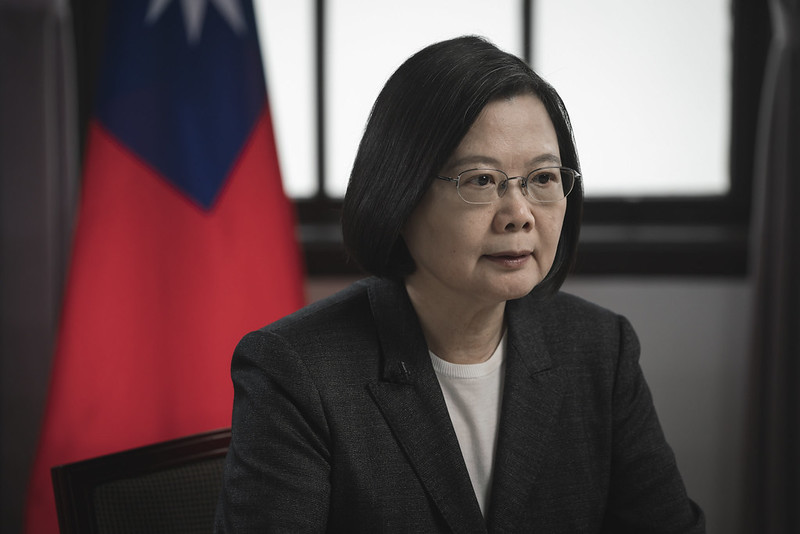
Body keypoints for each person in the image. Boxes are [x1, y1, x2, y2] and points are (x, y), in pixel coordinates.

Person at [214, 35, 705, 533]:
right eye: (481, 180)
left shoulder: (600, 350)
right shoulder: (296, 373)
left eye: (542, 178)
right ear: (400, 196)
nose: (519, 214)